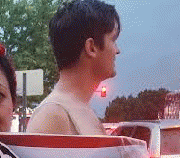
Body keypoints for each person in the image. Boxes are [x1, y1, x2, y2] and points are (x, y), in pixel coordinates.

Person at [26, 0, 121, 135]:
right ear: (91, 47)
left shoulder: (76, 110)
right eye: (113, 40)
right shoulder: (53, 116)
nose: (117, 50)